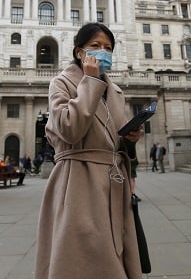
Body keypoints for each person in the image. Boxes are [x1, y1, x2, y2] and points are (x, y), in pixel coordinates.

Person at [35, 22, 144, 278]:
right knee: (81, 255)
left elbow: (113, 139)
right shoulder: (61, 83)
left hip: (113, 183)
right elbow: (69, 129)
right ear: (79, 52)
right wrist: (90, 82)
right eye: (95, 46)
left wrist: (130, 139)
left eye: (108, 47)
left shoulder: (116, 92)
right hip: (78, 181)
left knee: (115, 254)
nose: (102, 51)